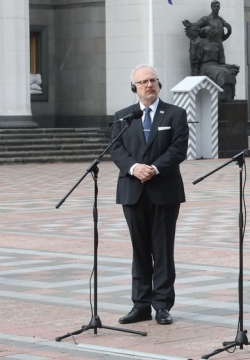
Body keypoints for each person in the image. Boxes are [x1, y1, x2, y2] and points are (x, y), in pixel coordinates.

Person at [110, 64, 190, 326]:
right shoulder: (124, 116)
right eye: (143, 81)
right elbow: (116, 149)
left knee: (163, 250)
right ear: (134, 87)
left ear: (159, 84)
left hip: (164, 190)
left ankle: (163, 305)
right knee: (139, 250)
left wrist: (154, 168)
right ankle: (140, 305)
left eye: (153, 80)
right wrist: (134, 168)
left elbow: (178, 149)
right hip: (133, 192)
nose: (149, 85)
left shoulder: (175, 114)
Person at [196, 25, 239, 100]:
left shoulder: (217, 44)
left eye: (213, 31)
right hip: (206, 66)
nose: (214, 33)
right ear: (207, 33)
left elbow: (221, 59)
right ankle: (220, 96)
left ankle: (229, 96)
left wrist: (228, 66)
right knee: (222, 72)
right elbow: (198, 59)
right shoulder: (201, 44)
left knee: (231, 71)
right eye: (211, 31)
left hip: (217, 65)